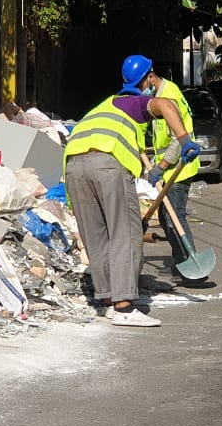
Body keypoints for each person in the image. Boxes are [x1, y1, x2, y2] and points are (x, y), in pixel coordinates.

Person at [64, 58, 199, 327]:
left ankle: (108, 300)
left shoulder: (101, 107)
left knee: (96, 234)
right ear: (147, 79)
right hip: (106, 164)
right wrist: (184, 140)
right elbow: (165, 105)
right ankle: (124, 307)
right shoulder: (130, 101)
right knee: (125, 231)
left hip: (72, 164)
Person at [133, 56, 200, 280]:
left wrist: (160, 167)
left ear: (150, 77)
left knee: (174, 217)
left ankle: (189, 264)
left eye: (140, 85)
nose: (140, 91)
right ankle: (181, 262)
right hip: (168, 167)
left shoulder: (169, 97)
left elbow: (178, 139)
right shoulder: (158, 95)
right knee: (165, 217)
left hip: (179, 167)